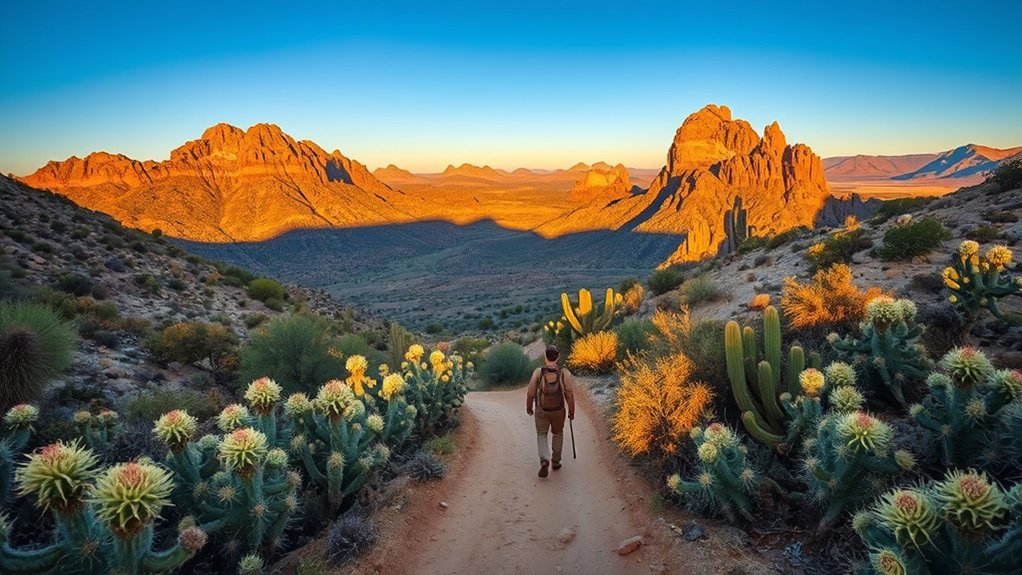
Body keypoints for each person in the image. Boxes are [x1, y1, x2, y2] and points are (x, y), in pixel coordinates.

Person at [526, 345, 575, 478]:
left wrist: (529, 406)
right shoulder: (564, 373)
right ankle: (556, 461)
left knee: (541, 434)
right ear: (557, 358)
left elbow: (531, 392)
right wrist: (572, 410)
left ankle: (544, 459)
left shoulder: (538, 372)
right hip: (559, 411)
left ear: (545, 357)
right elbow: (569, 393)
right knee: (558, 433)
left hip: (542, 410)